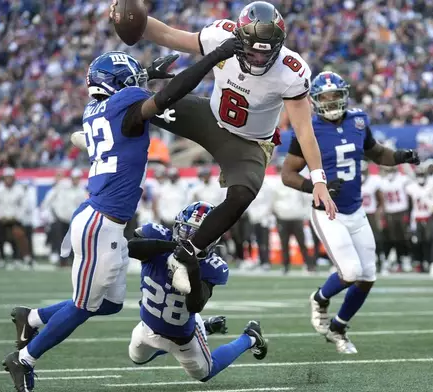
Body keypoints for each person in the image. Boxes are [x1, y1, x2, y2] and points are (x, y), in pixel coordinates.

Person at [2, 39, 243, 392]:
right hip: (101, 220)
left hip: (105, 219)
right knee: (85, 306)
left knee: (110, 305)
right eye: (132, 82)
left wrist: (148, 73)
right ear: (121, 86)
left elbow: (129, 100)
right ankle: (24, 359)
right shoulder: (125, 103)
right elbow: (168, 96)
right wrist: (213, 58)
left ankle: (32, 317)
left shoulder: (96, 110)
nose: (138, 87)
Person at [112, 1, 336, 286]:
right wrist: (134, 17)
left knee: (243, 194)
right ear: (240, 37)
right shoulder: (221, 35)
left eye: (264, 53)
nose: (256, 58)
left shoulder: (291, 71)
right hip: (209, 116)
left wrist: (318, 179)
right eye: (251, 49)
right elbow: (169, 35)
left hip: (248, 143)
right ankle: (103, 137)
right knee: (139, 103)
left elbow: (304, 130)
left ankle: (187, 253)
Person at [280, 71, 419, 354]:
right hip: (327, 211)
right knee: (351, 271)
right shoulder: (309, 128)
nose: (331, 102)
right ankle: (319, 298)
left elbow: (377, 153)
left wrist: (400, 157)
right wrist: (315, 186)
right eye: (325, 98)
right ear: (316, 101)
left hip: (356, 210)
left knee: (367, 277)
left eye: (335, 96)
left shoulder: (358, 120)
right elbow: (288, 174)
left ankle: (339, 327)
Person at [128, 201, 267, 382]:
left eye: (198, 234)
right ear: (177, 226)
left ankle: (250, 337)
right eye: (187, 231)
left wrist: (193, 266)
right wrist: (173, 248)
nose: (190, 238)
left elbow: (195, 305)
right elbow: (131, 248)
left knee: (204, 373)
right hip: (147, 328)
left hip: (183, 339)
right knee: (136, 359)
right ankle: (207, 327)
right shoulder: (157, 236)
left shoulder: (212, 267)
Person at [272, 162, 314, 274]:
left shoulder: (296, 181)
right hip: (283, 217)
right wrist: (277, 213)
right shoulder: (276, 184)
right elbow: (272, 201)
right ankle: (285, 266)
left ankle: (309, 265)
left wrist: (303, 213)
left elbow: (305, 199)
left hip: (296, 217)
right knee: (284, 244)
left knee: (302, 243)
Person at [41, 168, 86, 265]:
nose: (75, 180)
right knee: (60, 239)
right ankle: (61, 259)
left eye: (77, 178)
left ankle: (72, 259)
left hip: (73, 220)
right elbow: (50, 197)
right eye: (74, 178)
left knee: (73, 240)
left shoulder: (82, 191)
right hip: (60, 218)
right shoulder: (62, 186)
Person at [0, 168, 31, 268]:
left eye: (10, 177)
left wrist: (17, 216)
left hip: (15, 219)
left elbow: (24, 206)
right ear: (4, 178)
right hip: (2, 220)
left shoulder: (19, 190)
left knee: (18, 236)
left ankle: (17, 258)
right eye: (7, 177)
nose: (8, 179)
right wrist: (0, 216)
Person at [379, 165, 412, 273]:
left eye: (391, 169)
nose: (389, 172)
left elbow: (411, 193)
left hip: (402, 211)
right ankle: (390, 261)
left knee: (403, 238)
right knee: (390, 238)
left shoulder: (403, 179)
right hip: (389, 213)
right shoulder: (382, 182)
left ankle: (404, 259)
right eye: (387, 170)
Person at [406, 165, 432, 274]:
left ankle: (427, 261)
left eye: (422, 174)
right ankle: (418, 262)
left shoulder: (431, 186)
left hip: (429, 218)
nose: (421, 177)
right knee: (417, 242)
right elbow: (409, 205)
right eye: (419, 174)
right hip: (416, 218)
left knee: (428, 242)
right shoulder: (411, 187)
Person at [360, 161, 385, 272]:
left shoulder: (374, 181)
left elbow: (381, 199)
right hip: (358, 214)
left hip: (371, 213)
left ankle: (380, 261)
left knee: (376, 238)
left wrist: (379, 211)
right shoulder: (351, 181)